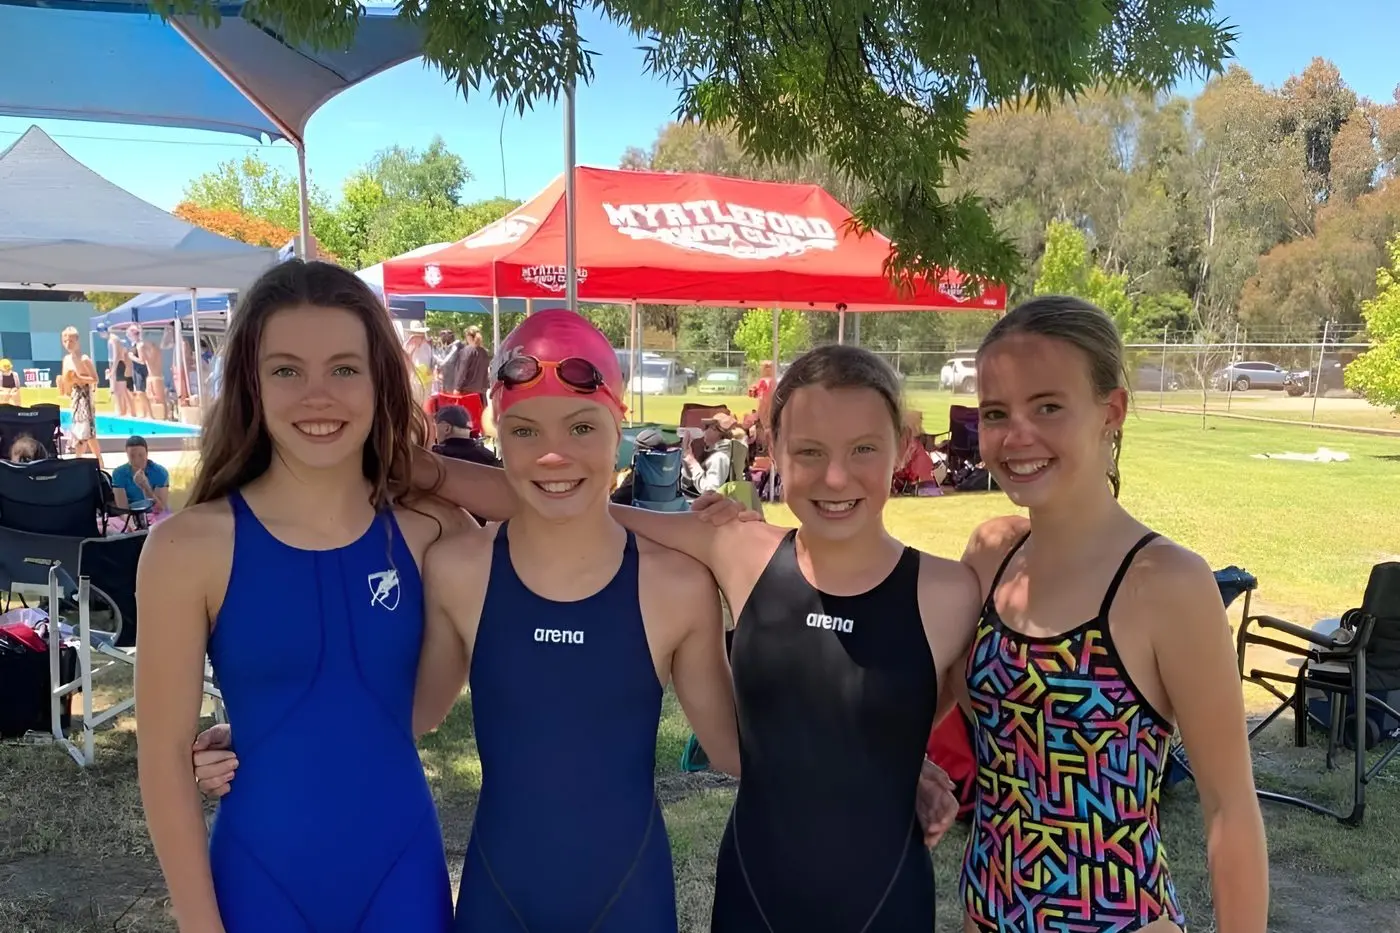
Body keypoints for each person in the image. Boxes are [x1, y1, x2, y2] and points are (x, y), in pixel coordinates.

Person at [135, 259, 472, 933]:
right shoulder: (188, 547)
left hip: (400, 875)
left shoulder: (435, 533)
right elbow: (164, 762)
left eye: (344, 369)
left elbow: (422, 712)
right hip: (259, 879)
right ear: (251, 386)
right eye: (287, 369)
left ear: (380, 381)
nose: (317, 396)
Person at [603, 344, 982, 932]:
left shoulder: (953, 592)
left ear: (904, 448)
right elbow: (583, 513)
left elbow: (915, 715)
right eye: (809, 452)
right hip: (754, 897)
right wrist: (434, 472)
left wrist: (907, 764)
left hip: (885, 904)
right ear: (773, 450)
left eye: (863, 449)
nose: (836, 476)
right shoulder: (738, 550)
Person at [411, 309, 740, 932]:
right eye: (526, 431)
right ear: (497, 437)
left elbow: (733, 749)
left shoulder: (675, 585)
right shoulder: (457, 570)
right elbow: (413, 716)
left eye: (582, 427)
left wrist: (883, 758)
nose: (554, 455)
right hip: (497, 900)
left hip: (628, 900)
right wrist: (259, 740)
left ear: (620, 431)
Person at [950, 295, 1267, 933]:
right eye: (995, 412)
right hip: (984, 912)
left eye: (1048, 407)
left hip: (1118, 919)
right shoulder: (990, 554)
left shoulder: (1168, 582)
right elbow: (928, 707)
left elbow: (1230, 807)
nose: (1017, 436)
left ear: (1110, 412)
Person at [59, 326, 100, 457]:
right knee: (88, 432)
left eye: (71, 341)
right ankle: (99, 458)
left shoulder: (84, 359)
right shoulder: (66, 360)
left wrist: (79, 378)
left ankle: (78, 458)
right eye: (65, 341)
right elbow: (66, 381)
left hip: (85, 396)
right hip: (75, 397)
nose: (68, 344)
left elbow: (95, 379)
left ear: (77, 341)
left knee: (82, 431)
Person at [110, 435, 171, 515]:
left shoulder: (160, 472)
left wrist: (146, 487)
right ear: (127, 455)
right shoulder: (119, 474)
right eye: (132, 456)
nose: (137, 460)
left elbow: (160, 509)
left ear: (147, 453)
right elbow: (123, 509)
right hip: (131, 516)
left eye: (141, 455)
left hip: (155, 514)